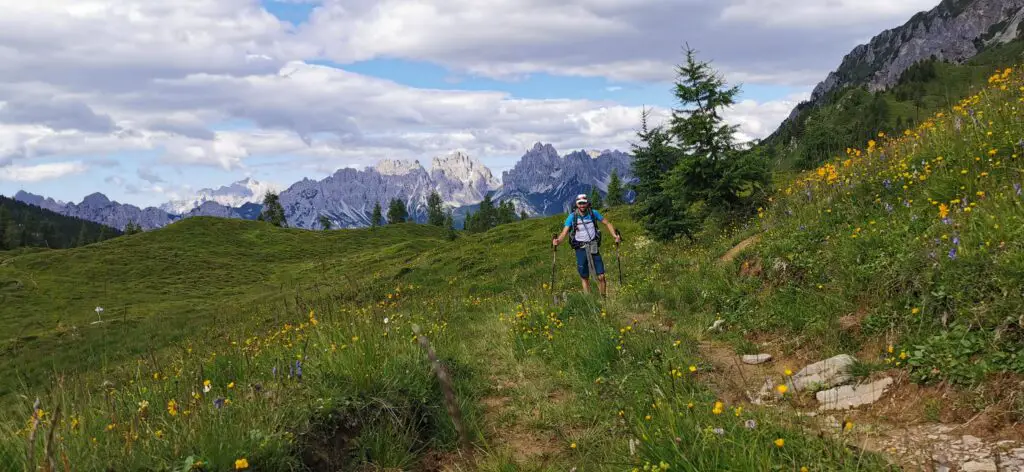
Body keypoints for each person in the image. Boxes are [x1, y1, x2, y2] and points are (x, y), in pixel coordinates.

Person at [552, 194, 621, 297]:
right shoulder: (572, 217)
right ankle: (589, 300)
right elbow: (564, 232)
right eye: (580, 203)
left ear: (587, 203)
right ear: (577, 204)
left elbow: (607, 223)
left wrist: (615, 236)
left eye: (584, 203)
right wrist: (558, 241)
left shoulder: (594, 213)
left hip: (593, 245)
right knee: (584, 276)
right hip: (580, 248)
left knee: (601, 276)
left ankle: (603, 298)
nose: (582, 205)